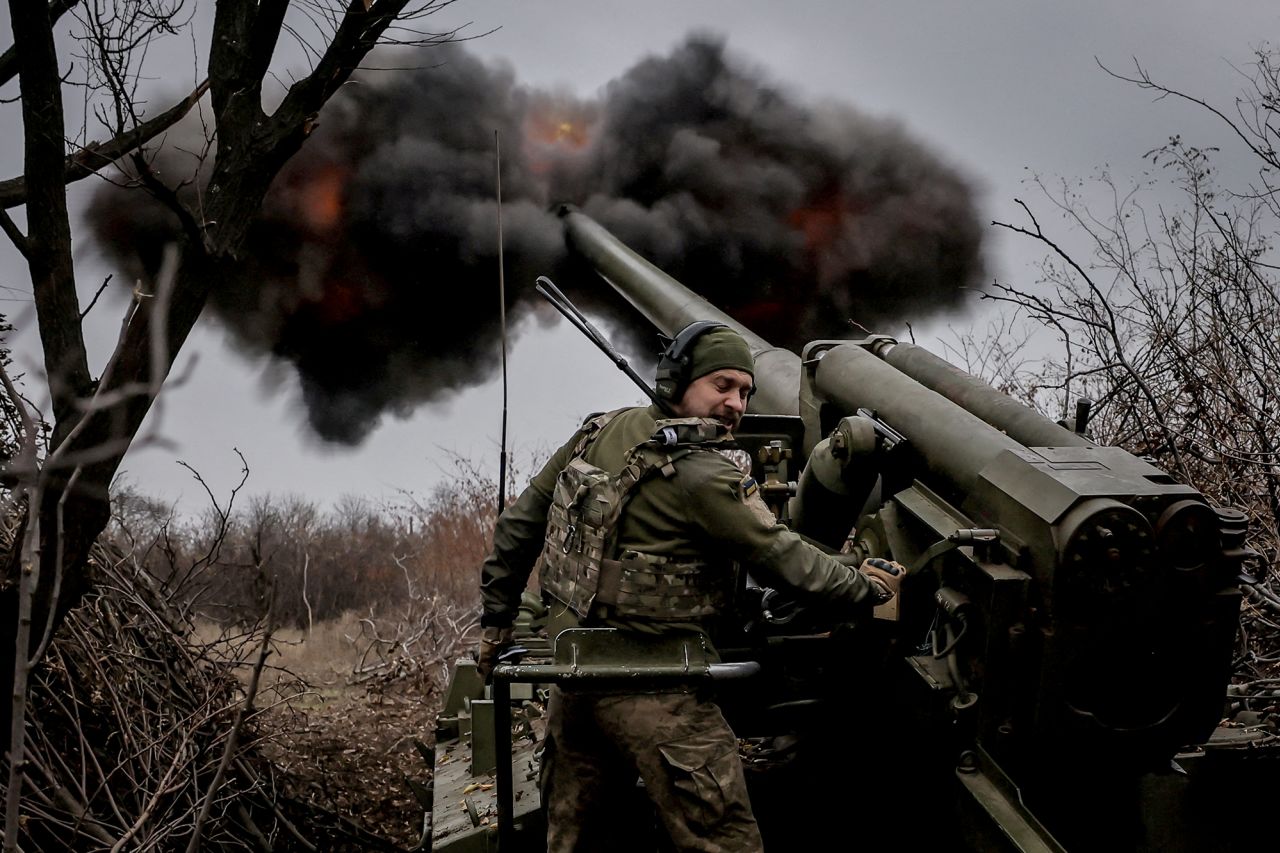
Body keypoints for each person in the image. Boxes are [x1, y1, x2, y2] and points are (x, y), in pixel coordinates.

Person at [476, 321, 904, 853]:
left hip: (576, 681)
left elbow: (520, 525)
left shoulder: (597, 431)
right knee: (725, 842)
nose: (736, 404)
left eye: (745, 392)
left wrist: (496, 620)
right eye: (721, 386)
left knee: (575, 840)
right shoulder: (704, 474)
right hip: (660, 693)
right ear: (676, 382)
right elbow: (782, 559)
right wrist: (866, 588)